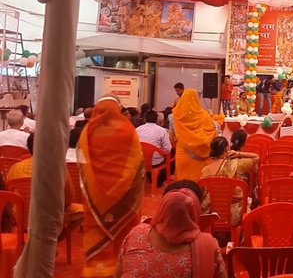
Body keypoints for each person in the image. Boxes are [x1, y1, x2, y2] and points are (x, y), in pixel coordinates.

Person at [77, 95, 145, 277]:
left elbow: (83, 165)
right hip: (124, 196)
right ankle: (122, 269)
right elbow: (137, 163)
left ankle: (95, 271)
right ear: (118, 109)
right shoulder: (128, 130)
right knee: (122, 234)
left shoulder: (87, 132)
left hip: (95, 197)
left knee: (96, 230)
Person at [115, 181, 226, 278]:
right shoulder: (207, 245)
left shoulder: (137, 233)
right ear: (196, 210)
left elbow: (118, 273)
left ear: (162, 207)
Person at [7, 133, 84, 221]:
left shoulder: (15, 168)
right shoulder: (58, 168)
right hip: (50, 221)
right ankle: (64, 233)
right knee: (80, 210)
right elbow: (68, 198)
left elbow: (10, 197)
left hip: (21, 218)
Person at [200, 136, 259, 226]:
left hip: (212, 212)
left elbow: (202, 193)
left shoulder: (205, 169)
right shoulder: (237, 164)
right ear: (226, 150)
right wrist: (238, 154)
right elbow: (256, 157)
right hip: (233, 214)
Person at [172, 88, 217, 181]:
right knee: (199, 182)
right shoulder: (204, 115)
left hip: (183, 152)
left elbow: (172, 135)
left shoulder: (176, 115)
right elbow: (211, 134)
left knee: (183, 181)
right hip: (200, 155)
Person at [136, 110, 172, 187]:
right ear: (156, 119)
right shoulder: (161, 130)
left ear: (144, 119)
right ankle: (159, 181)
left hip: (139, 160)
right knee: (168, 157)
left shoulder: (137, 129)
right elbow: (168, 149)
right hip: (155, 163)